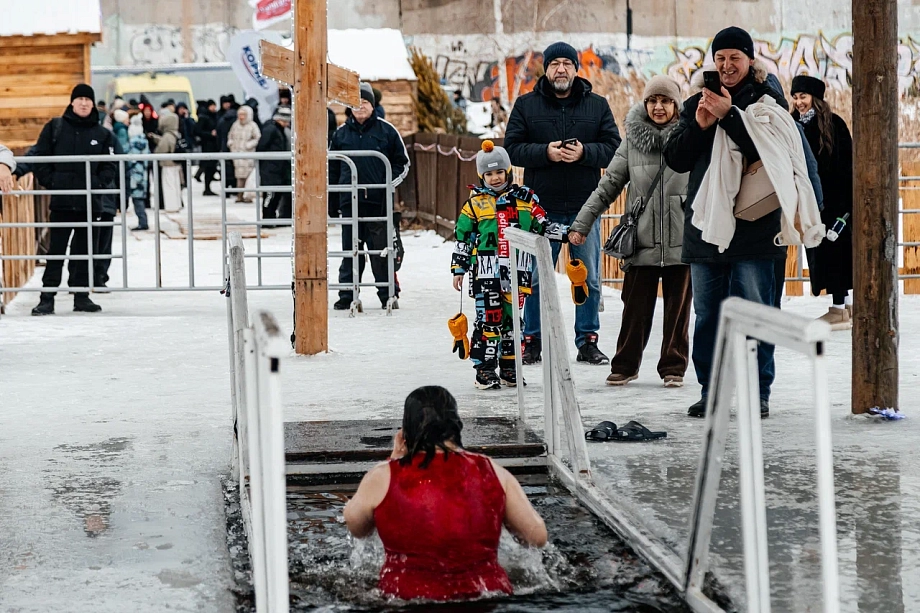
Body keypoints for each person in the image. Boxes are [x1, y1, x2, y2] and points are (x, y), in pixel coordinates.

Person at [663, 26, 792, 419]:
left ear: (750, 60)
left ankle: (758, 393)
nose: (727, 65)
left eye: (735, 57)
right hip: (706, 230)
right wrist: (702, 126)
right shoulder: (697, 103)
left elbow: (776, 153)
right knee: (708, 317)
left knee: (758, 313)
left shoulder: (769, 101)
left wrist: (731, 117)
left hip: (756, 228)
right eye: (720, 58)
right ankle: (712, 391)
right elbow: (676, 159)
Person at [343, 386, 547, 601]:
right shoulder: (492, 471)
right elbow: (536, 537)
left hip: (405, 599)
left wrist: (393, 460)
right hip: (487, 596)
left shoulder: (383, 476)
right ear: (456, 426)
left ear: (405, 431)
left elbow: (357, 528)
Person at [569, 76, 691, 388]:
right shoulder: (633, 141)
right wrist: (582, 224)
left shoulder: (692, 138)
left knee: (678, 311)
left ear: (676, 104)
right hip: (642, 239)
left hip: (683, 238)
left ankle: (673, 367)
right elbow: (608, 185)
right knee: (635, 308)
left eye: (665, 101)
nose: (658, 107)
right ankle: (625, 365)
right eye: (653, 101)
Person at [504, 41, 621, 366]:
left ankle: (588, 341)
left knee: (589, 277)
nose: (561, 69)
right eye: (554, 63)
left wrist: (585, 153)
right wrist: (546, 153)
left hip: (586, 207)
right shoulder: (527, 105)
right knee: (537, 277)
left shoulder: (596, 105)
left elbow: (614, 147)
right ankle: (534, 341)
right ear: (546, 69)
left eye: (566, 63)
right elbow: (511, 147)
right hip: (541, 207)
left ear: (575, 68)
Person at [452, 140, 569, 389]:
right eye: (489, 174)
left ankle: (509, 368)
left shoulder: (525, 200)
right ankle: (484, 369)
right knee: (489, 320)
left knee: (513, 322)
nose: (495, 178)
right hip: (486, 272)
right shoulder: (475, 204)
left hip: (517, 272)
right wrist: (459, 268)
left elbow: (544, 224)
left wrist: (568, 233)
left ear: (508, 172)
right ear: (482, 176)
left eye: (499, 172)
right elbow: (463, 236)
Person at [29, 84, 116, 316]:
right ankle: (47, 298)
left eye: (88, 99)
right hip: (62, 203)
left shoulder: (103, 134)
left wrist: (97, 184)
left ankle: (81, 296)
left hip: (89, 204)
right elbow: (40, 157)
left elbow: (111, 166)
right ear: (72, 102)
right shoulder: (55, 128)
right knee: (56, 252)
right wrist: (53, 181)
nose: (84, 103)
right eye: (80, 99)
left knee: (84, 253)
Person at [330, 82, 409, 310]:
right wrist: (333, 199)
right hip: (349, 201)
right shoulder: (340, 134)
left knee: (380, 251)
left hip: (378, 203)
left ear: (372, 105)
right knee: (350, 250)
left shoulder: (387, 131)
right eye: (355, 103)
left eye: (365, 102)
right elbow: (332, 169)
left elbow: (402, 163)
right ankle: (347, 294)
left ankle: (387, 294)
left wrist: (386, 185)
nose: (360, 107)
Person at [790, 76, 853, 328]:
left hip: (834, 197)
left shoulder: (833, 124)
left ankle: (839, 309)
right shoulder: (793, 124)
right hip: (809, 198)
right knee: (822, 250)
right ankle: (844, 305)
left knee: (836, 251)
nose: (799, 102)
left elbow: (846, 164)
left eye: (803, 97)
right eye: (795, 97)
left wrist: (842, 204)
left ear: (815, 98)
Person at [257, 106, 292, 222]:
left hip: (277, 168)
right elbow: (261, 147)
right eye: (286, 121)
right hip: (270, 169)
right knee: (270, 195)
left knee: (275, 195)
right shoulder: (270, 129)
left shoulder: (278, 129)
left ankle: (271, 218)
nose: (287, 124)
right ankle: (267, 219)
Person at [227, 105, 260, 203]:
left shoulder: (252, 125)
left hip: (248, 155)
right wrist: (231, 144)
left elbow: (257, 138)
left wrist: (248, 145)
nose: (241, 117)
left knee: (248, 177)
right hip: (236, 154)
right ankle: (239, 195)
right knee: (239, 176)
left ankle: (248, 196)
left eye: (243, 114)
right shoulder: (235, 125)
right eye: (240, 114)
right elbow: (230, 136)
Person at [151, 112, 183, 212]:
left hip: (167, 164)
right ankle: (177, 204)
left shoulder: (167, 135)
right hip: (175, 163)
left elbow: (160, 150)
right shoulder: (175, 133)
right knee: (176, 185)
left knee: (169, 186)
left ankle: (171, 206)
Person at [127, 114, 150, 231]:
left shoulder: (133, 142)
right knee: (140, 199)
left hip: (136, 174)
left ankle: (143, 222)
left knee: (137, 200)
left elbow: (131, 158)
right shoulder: (144, 140)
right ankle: (143, 221)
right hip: (143, 174)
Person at [216, 99, 239, 191]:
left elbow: (218, 134)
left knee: (225, 168)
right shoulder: (237, 122)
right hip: (236, 147)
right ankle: (234, 188)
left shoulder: (222, 119)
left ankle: (226, 189)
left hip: (223, 146)